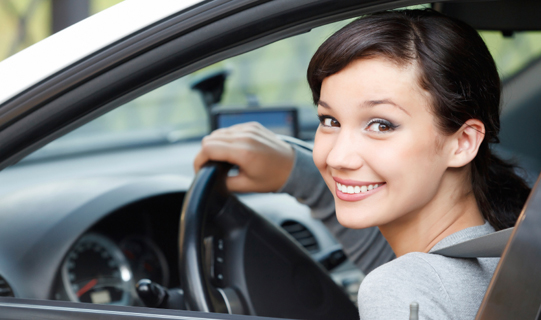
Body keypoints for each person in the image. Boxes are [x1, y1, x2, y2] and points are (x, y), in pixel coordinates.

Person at [194, 9, 531, 319]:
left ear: (463, 142)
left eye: (381, 125)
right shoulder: (509, 253)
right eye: (329, 120)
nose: (338, 158)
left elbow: (406, 282)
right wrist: (293, 172)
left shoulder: (402, 291)